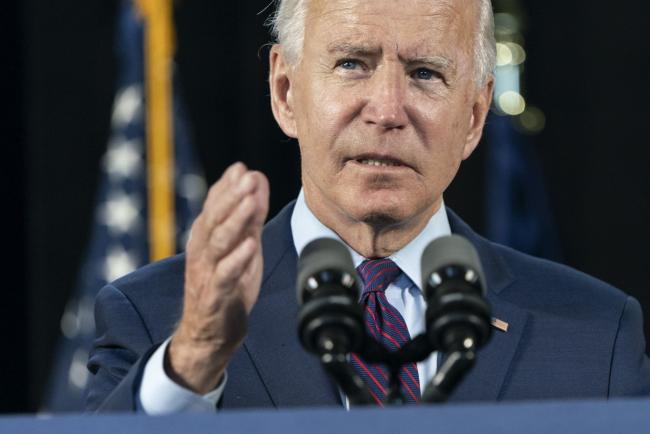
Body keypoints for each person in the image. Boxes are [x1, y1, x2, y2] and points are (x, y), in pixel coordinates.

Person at [86, 0, 650, 412]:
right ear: (285, 91)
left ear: (474, 117)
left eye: (425, 73)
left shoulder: (595, 337)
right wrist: (196, 358)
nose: (386, 109)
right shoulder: (158, 318)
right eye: (353, 63)